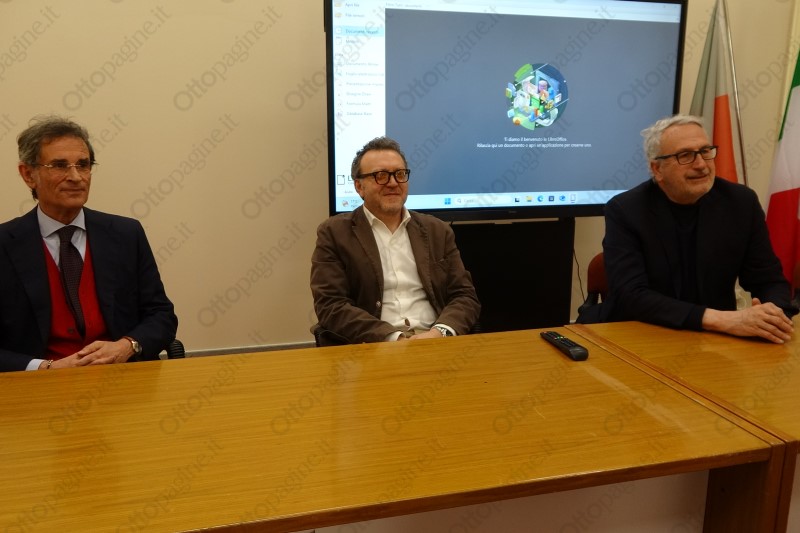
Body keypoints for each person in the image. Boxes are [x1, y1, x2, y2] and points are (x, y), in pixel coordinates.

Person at [579, 114, 796, 343]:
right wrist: (723, 319)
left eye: (705, 151)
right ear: (657, 169)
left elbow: (768, 279)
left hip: (716, 340)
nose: (701, 164)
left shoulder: (741, 203)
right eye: (685, 156)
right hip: (642, 333)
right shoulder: (626, 210)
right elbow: (632, 296)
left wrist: (774, 315)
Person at [0, 115, 178, 372]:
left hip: (122, 378)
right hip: (40, 386)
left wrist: (127, 345)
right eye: (59, 165)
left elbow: (161, 315)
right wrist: (44, 367)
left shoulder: (126, 234)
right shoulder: (5, 244)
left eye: (83, 165)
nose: (75, 177)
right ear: (28, 174)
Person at [310, 136, 480, 345]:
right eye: (380, 175)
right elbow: (331, 305)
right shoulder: (334, 233)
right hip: (374, 345)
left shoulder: (437, 230)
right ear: (359, 186)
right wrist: (393, 338)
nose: (392, 183)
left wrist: (440, 333)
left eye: (399, 174)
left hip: (435, 341)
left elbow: (464, 296)